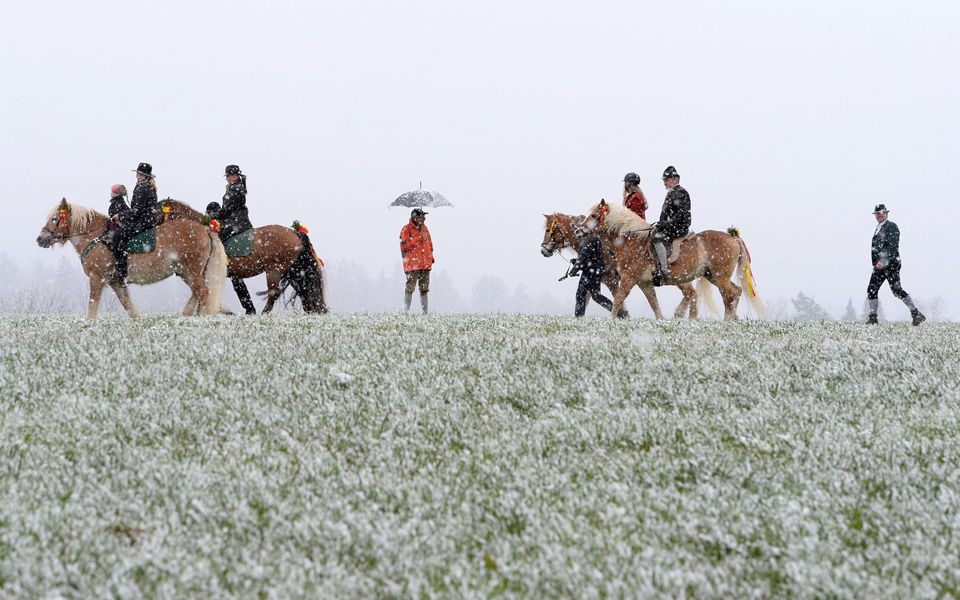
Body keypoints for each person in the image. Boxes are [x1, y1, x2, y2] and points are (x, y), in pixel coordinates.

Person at [207, 165, 256, 314]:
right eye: (226, 176)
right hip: (232, 219)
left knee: (217, 235)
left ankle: (220, 260)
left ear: (234, 175)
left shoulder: (236, 188)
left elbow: (228, 210)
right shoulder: (233, 186)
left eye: (228, 176)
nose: (227, 178)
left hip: (237, 222)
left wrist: (215, 215)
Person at [866, 204, 925, 325]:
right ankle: (873, 317)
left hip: (891, 264)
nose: (879, 215)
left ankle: (916, 313)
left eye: (882, 213)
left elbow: (892, 246)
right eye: (877, 213)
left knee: (896, 290)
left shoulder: (891, 227)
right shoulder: (878, 228)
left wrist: (883, 261)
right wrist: (876, 262)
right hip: (879, 265)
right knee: (872, 289)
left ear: (886, 214)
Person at [111, 163, 159, 284]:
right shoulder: (145, 186)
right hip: (145, 219)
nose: (136, 175)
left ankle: (121, 272)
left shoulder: (143, 188)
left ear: (142, 175)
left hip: (143, 221)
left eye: (138, 173)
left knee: (118, 236)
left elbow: (137, 211)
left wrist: (120, 215)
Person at [650, 165, 691, 286]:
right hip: (670, 226)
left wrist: (667, 224)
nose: (664, 183)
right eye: (664, 180)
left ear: (675, 179)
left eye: (667, 180)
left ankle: (663, 270)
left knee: (657, 239)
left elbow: (681, 215)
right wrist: (660, 223)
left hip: (679, 228)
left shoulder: (681, 192)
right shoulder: (672, 193)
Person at [569, 232, 626, 317]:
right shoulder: (591, 238)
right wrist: (576, 262)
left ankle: (579, 316)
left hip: (591, 271)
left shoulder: (589, 239)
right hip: (593, 270)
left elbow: (584, 257)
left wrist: (574, 269)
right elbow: (587, 256)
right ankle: (620, 313)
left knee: (582, 295)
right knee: (595, 296)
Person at [400, 208, 434, 314]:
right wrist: (419, 238)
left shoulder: (425, 229)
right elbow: (405, 246)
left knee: (424, 289)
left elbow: (430, 244)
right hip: (412, 265)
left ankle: (425, 313)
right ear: (415, 218)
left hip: (425, 264)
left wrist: (431, 258)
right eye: (421, 217)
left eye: (424, 217)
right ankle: (405, 312)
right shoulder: (406, 229)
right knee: (410, 288)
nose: (423, 219)